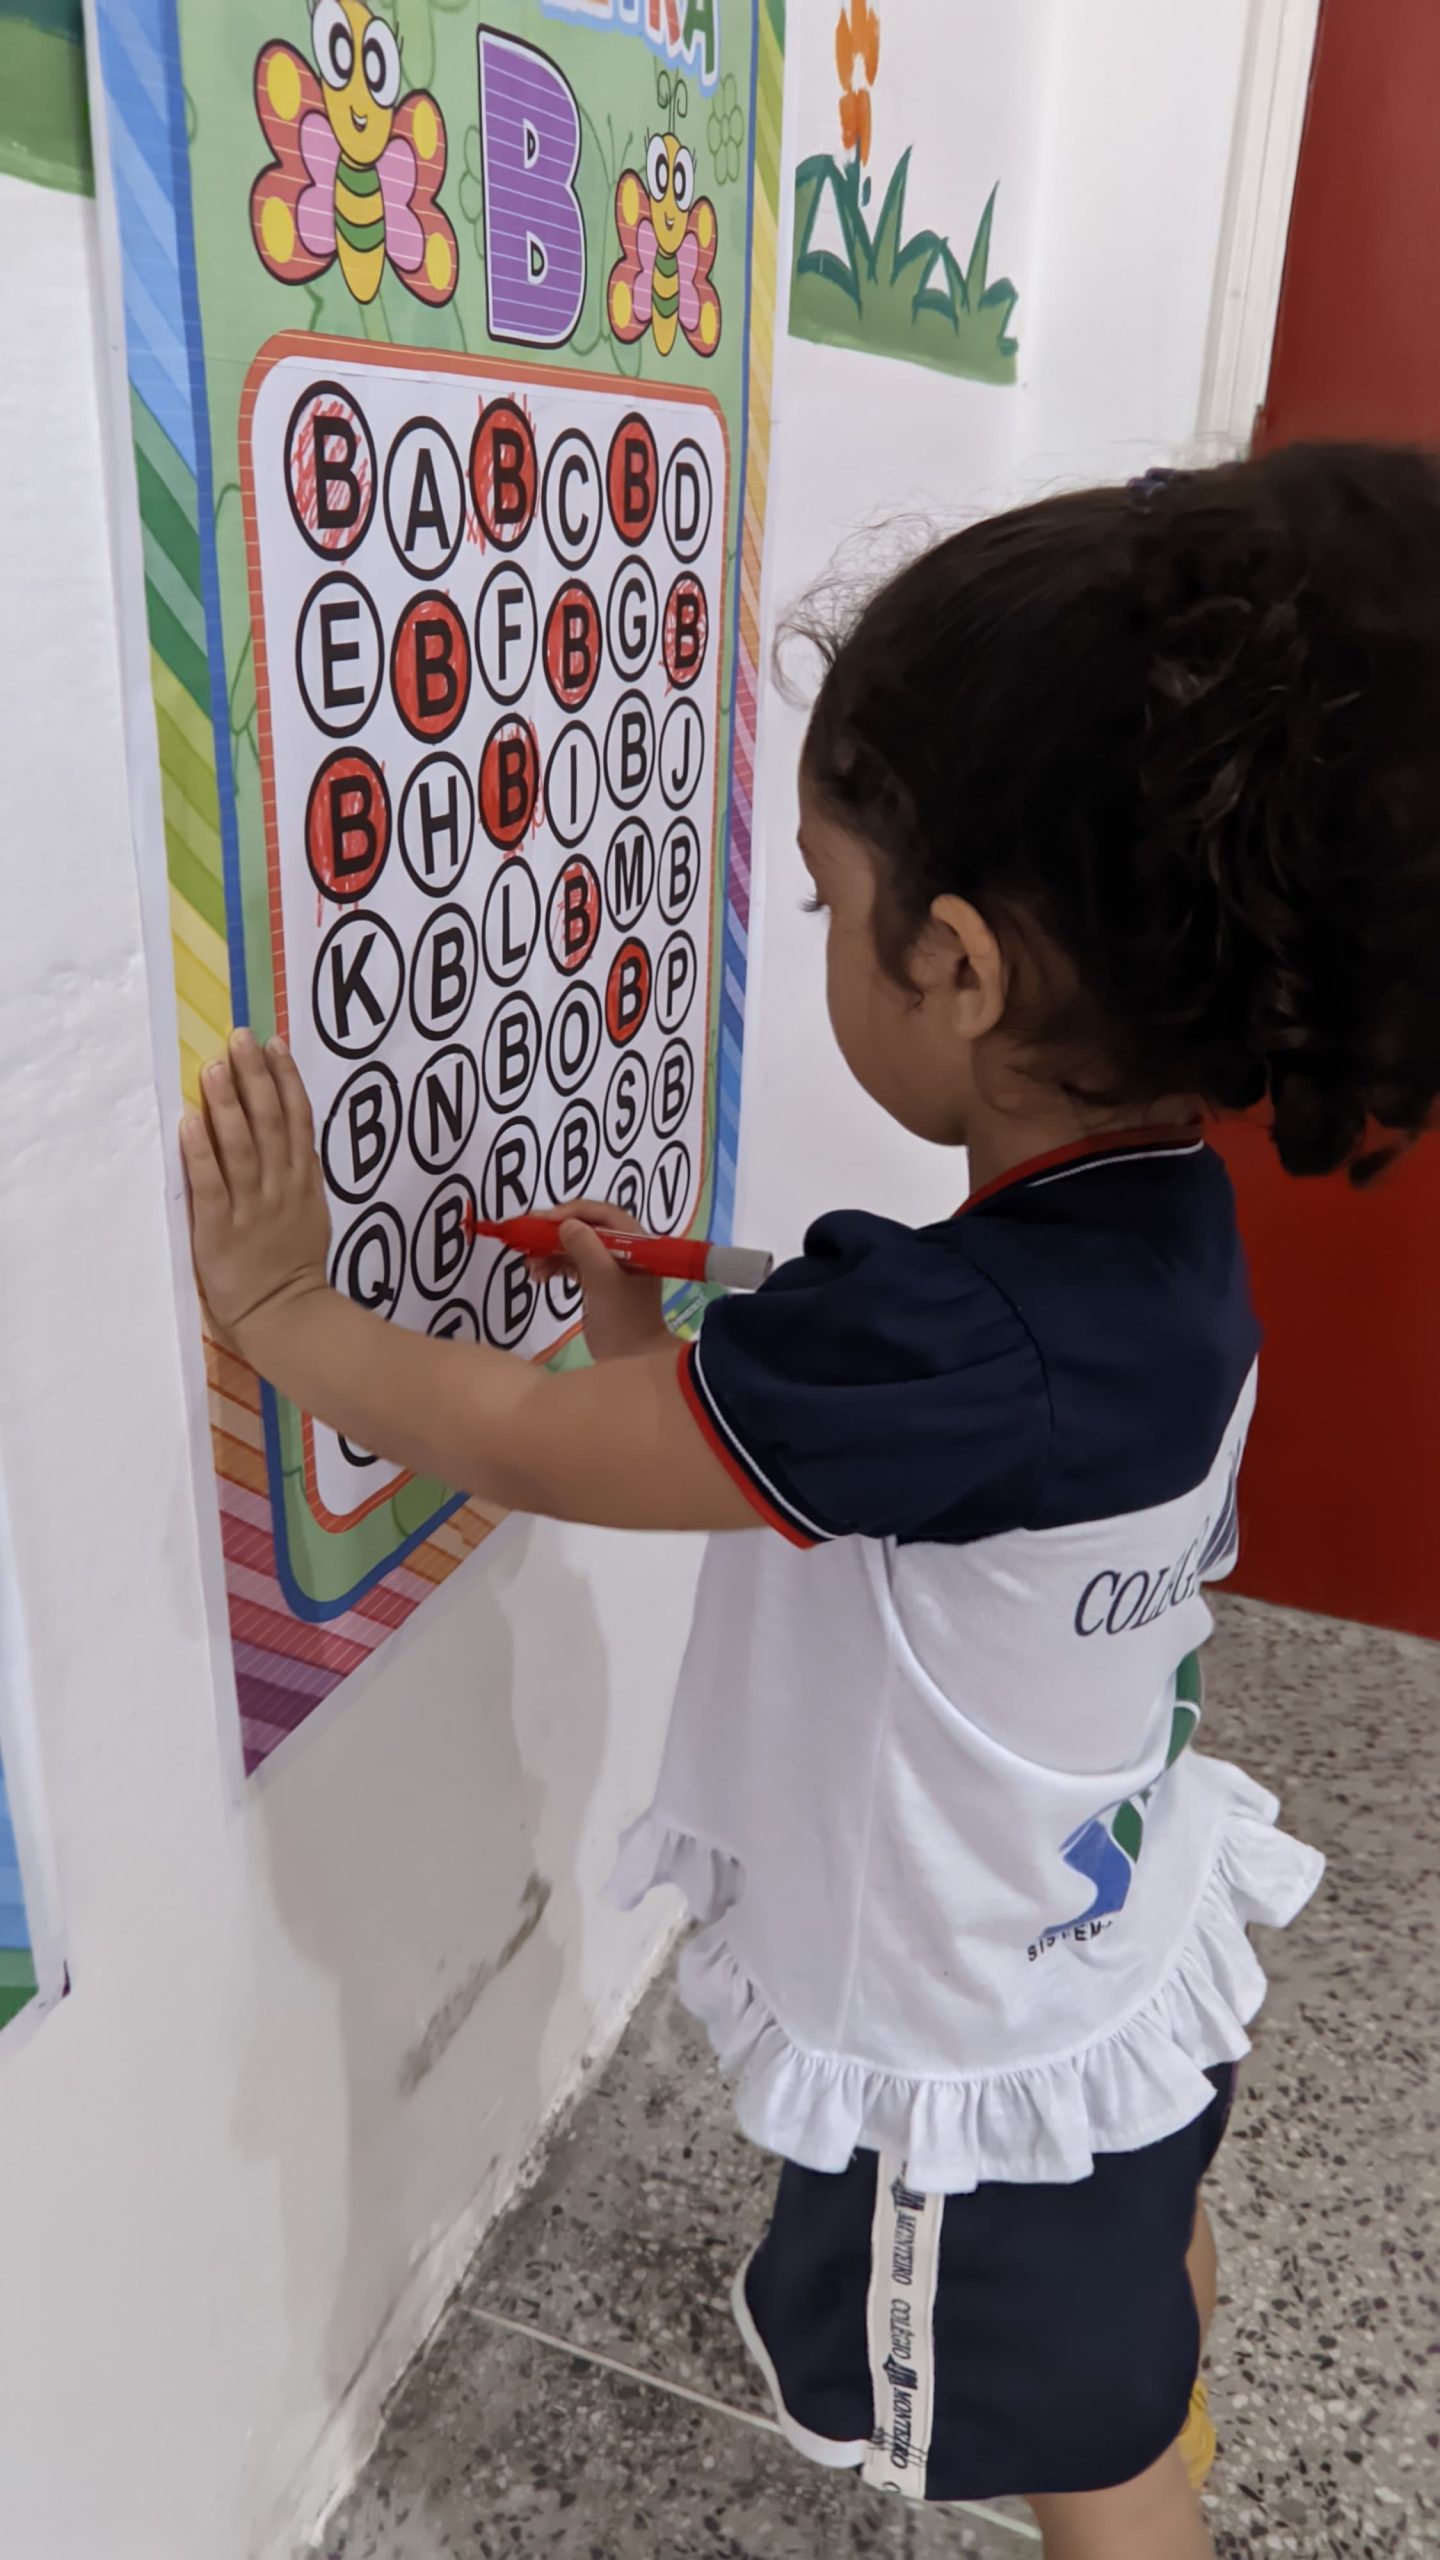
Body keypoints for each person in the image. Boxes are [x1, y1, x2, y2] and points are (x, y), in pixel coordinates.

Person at [182, 443, 1440, 2558]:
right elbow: (845, 1436)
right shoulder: (1153, 1227)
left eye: (827, 904)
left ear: (957, 966)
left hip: (979, 2025)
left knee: (1091, 2455)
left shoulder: (951, 1354)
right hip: (1117, 1948)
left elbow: (542, 1449)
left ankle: (1152, 2448)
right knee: (1137, 2258)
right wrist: (660, 1343)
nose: (822, 936)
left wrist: (287, 1306)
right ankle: (1163, 2367)